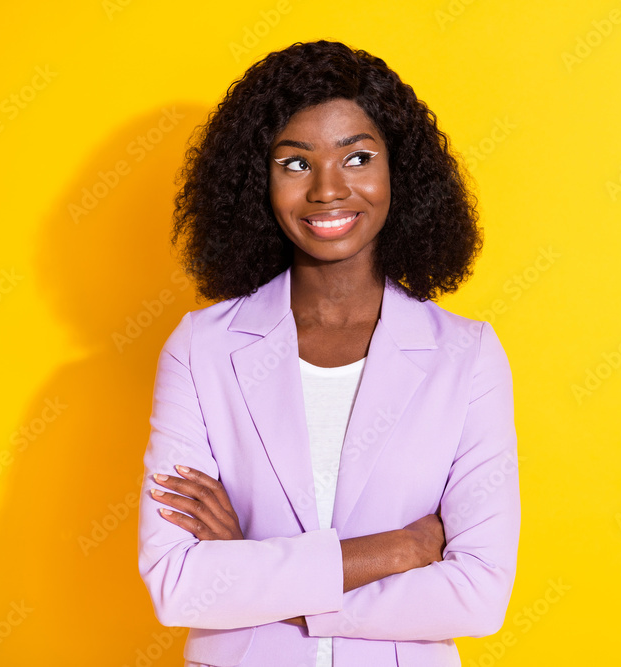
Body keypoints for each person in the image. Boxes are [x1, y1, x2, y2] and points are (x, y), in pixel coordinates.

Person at [137, 39, 520, 667]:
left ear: (399, 171)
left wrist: (252, 571)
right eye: (294, 163)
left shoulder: (467, 356)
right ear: (256, 181)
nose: (327, 190)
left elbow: (478, 595)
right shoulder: (200, 349)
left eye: (358, 157)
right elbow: (178, 587)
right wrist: (395, 550)